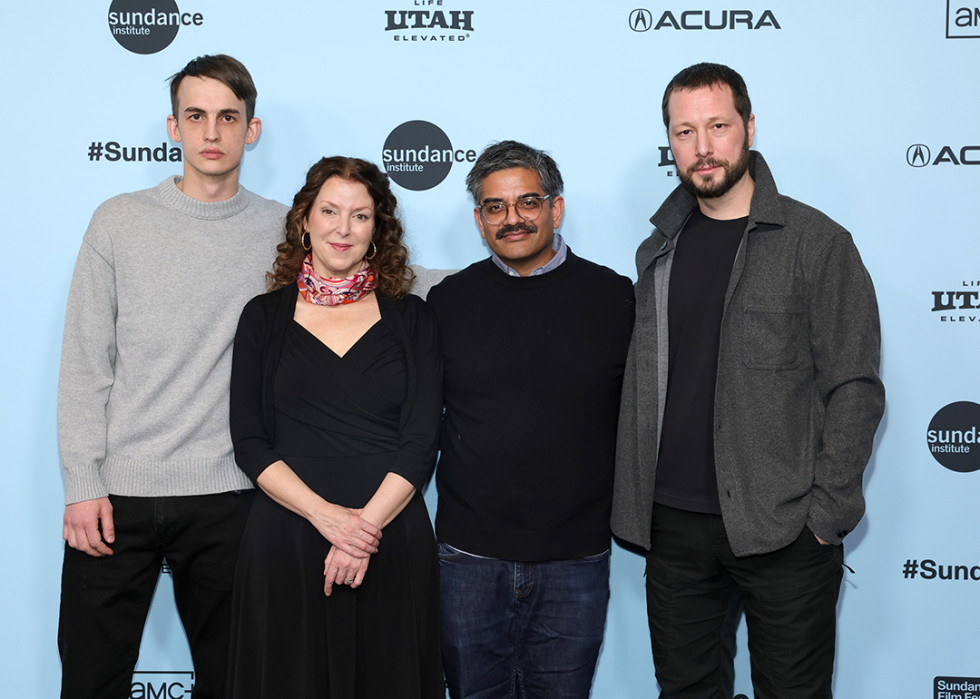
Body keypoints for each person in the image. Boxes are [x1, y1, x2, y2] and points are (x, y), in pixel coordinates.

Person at [612, 63, 885, 699]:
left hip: (784, 528)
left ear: (749, 128)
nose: (702, 147)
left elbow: (855, 386)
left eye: (717, 126)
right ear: (670, 144)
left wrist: (825, 515)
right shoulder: (657, 250)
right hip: (674, 529)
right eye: (684, 132)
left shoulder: (816, 242)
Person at [57, 55, 286, 699]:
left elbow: (368, 278)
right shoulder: (118, 220)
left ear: (252, 129)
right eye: (196, 116)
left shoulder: (281, 230)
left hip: (230, 497)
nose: (212, 131)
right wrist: (82, 485)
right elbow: (84, 360)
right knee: (90, 681)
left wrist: (484, 289)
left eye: (227, 117)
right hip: (114, 501)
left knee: (237, 682)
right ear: (173, 127)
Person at [227, 156, 443, 698]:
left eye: (360, 215)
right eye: (329, 211)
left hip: (388, 535)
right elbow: (249, 443)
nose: (342, 228)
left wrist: (360, 534)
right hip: (288, 537)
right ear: (304, 220)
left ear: (377, 231)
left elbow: (421, 443)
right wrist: (328, 520)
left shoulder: (411, 317)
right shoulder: (262, 316)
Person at [426, 141, 635, 699]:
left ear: (555, 209)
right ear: (478, 219)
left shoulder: (615, 299)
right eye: (495, 206)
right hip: (468, 558)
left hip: (576, 558)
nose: (512, 217)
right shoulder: (447, 302)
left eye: (528, 201)